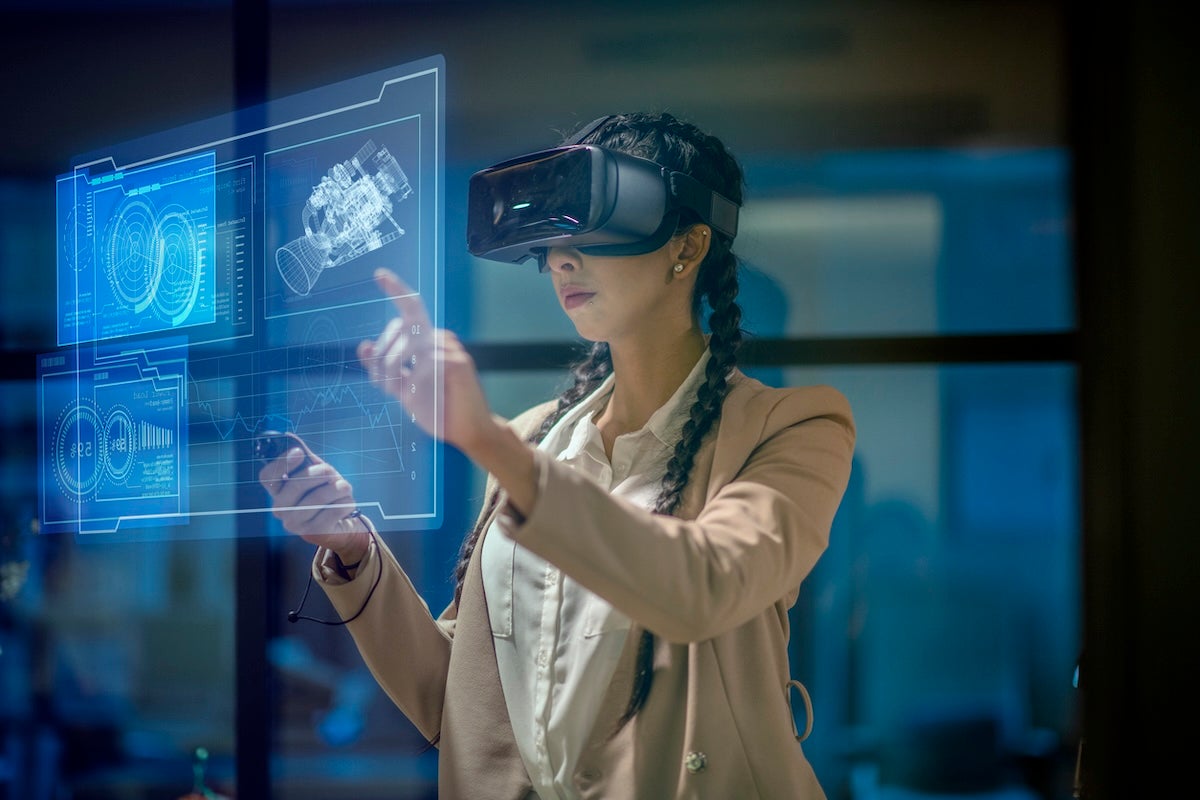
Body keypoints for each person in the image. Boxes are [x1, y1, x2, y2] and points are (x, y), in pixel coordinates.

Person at [259, 111, 855, 799]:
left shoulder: (792, 427)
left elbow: (704, 587)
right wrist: (352, 546)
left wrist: (489, 442)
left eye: (593, 231)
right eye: (552, 242)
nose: (560, 261)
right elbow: (456, 699)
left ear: (686, 249)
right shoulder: (538, 437)